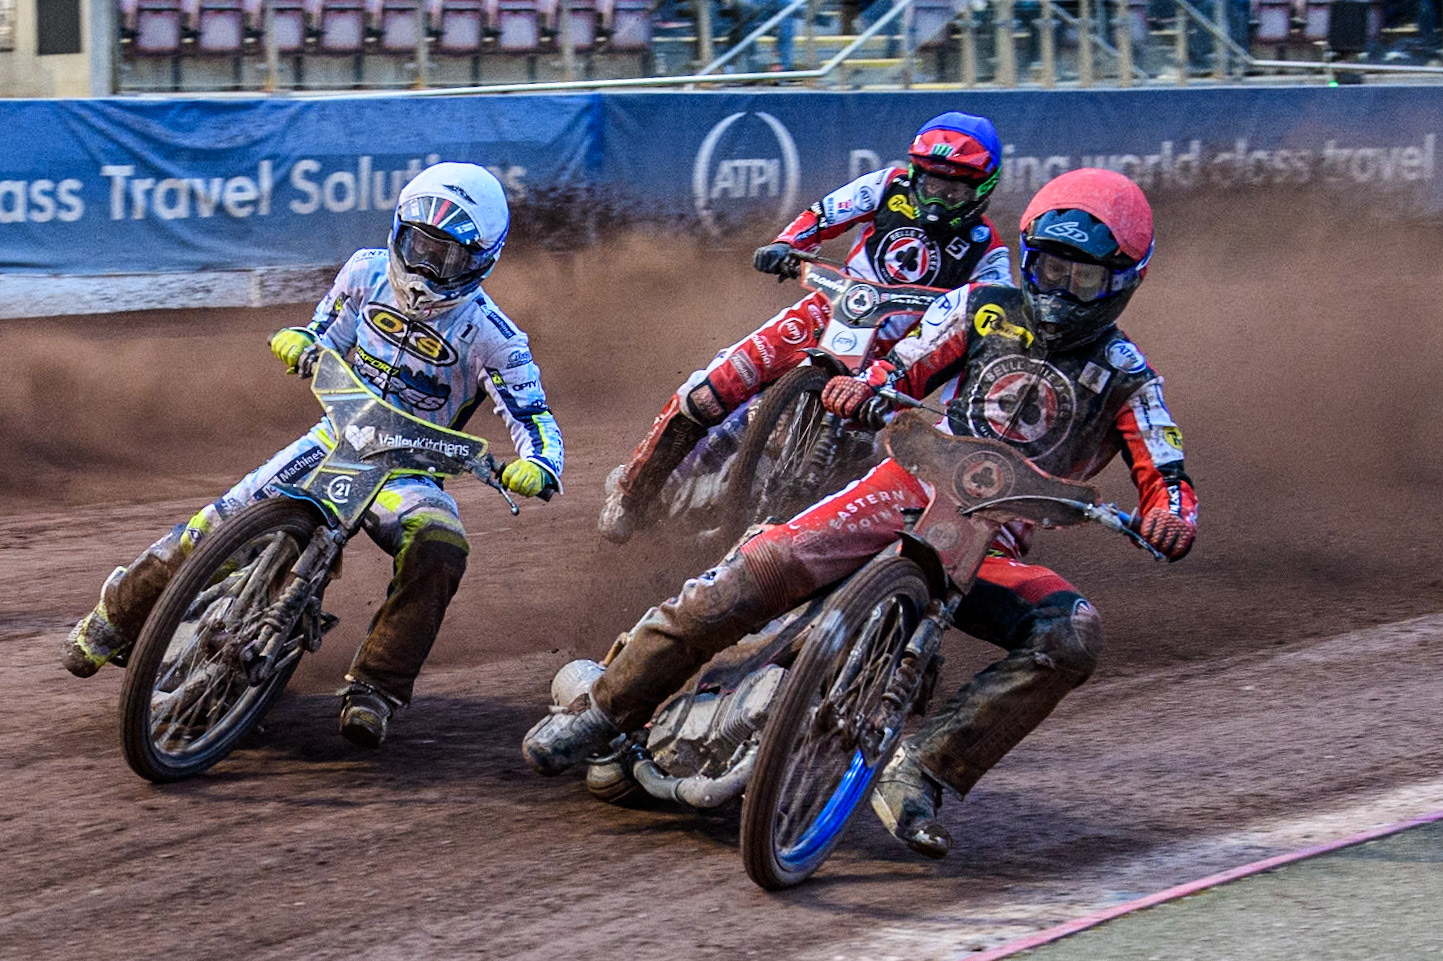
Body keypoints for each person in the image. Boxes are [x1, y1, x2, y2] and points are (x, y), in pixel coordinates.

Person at [525, 168, 1197, 859]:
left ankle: (923, 770)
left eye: (1083, 278)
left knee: (1072, 631)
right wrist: (866, 388)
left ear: (1123, 282)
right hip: (901, 490)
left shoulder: (1129, 379)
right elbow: (904, 364)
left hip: (989, 547)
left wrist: (1170, 516)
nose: (1060, 290)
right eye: (1052, 269)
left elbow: (1168, 475)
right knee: (754, 569)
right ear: (1030, 258)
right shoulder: (981, 306)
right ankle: (604, 709)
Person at [64, 162, 565, 749]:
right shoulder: (365, 272)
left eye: (448, 257)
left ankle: (378, 686)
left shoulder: (495, 337)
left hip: (409, 471)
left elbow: (534, 418)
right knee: (214, 526)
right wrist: (301, 340)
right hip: (333, 439)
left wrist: (540, 464)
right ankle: (111, 621)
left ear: (481, 262)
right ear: (398, 233)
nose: (427, 268)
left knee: (441, 545)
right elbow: (325, 332)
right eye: (419, 246)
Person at [598, 111, 1013, 544]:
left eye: (953, 190)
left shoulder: (989, 254)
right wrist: (786, 245)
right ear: (915, 174)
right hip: (828, 311)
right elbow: (826, 213)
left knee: (871, 462)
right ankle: (632, 495)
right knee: (706, 392)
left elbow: (989, 326)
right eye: (930, 183)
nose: (938, 198)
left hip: (897, 359)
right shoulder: (887, 186)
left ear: (981, 190)